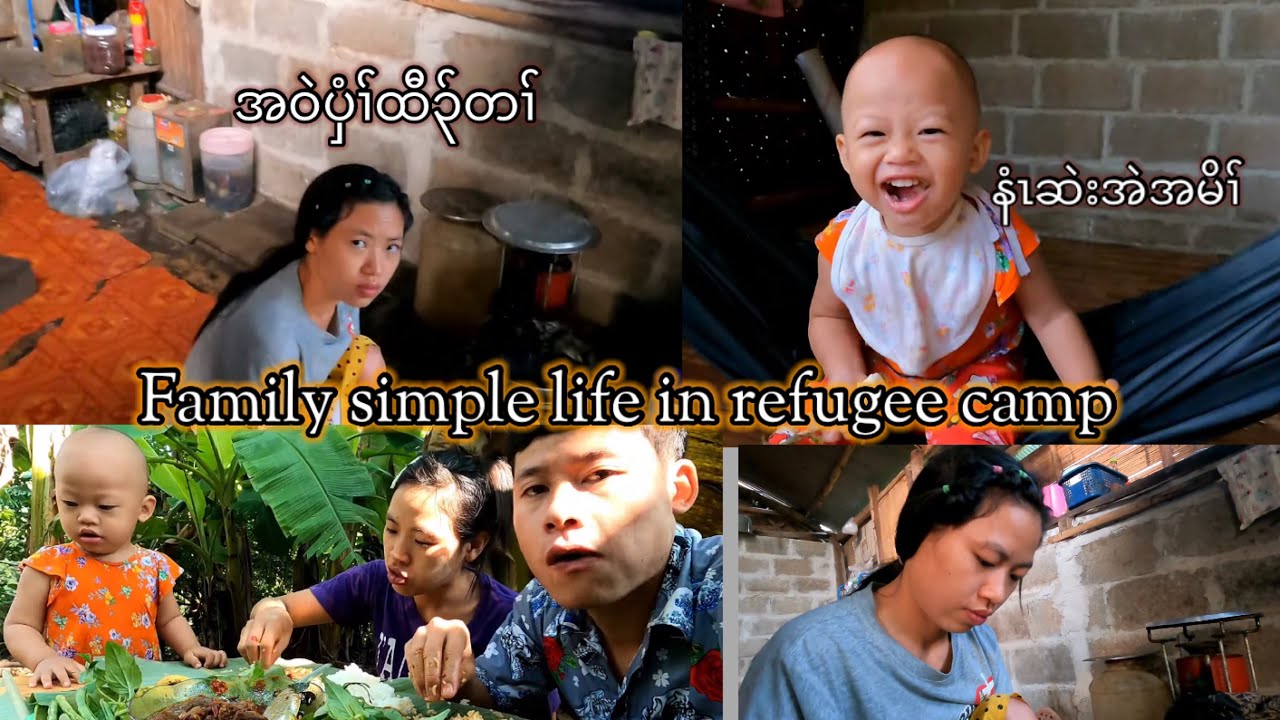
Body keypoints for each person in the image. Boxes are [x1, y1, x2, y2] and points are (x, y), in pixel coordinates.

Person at [775, 34, 1105, 446]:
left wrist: (1087, 393)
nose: (900, 152)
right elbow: (828, 318)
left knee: (970, 445)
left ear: (974, 151)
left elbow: (1050, 316)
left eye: (929, 130)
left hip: (974, 374)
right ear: (845, 154)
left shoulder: (998, 235)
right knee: (799, 433)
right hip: (876, 371)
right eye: (874, 133)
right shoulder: (843, 242)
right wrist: (845, 373)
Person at [403, 427, 723, 720]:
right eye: (536, 489)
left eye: (598, 475)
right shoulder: (541, 608)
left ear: (678, 489)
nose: (558, 511)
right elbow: (492, 696)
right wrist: (455, 671)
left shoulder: (730, 587)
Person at [740, 446, 1054, 719]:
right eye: (985, 560)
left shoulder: (981, 642)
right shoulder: (802, 660)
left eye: (1015, 575)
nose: (997, 593)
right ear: (920, 529)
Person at [237, 448, 516, 681]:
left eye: (422, 542)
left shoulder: (511, 620)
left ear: (474, 546)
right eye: (391, 529)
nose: (397, 554)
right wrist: (273, 615)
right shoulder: (376, 581)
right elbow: (277, 605)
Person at [3, 428, 227, 688]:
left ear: (144, 509)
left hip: (141, 692)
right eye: (70, 503)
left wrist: (191, 648)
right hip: (71, 691)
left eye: (105, 506)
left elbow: (170, 620)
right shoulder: (48, 564)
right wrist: (45, 659)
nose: (85, 516)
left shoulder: (154, 566)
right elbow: (19, 625)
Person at [184, 163, 412, 390]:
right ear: (313, 239)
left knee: (369, 359)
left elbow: (346, 346)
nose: (376, 269)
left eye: (391, 247)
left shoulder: (342, 285)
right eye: (359, 243)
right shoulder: (274, 340)